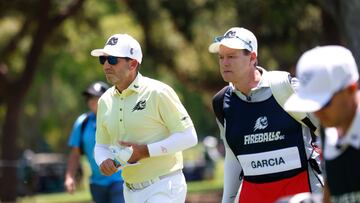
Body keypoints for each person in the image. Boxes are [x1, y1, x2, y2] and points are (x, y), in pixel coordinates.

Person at [208, 27, 323, 203]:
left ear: (252, 58)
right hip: (254, 195)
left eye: (231, 56)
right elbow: (232, 154)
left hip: (301, 191)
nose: (225, 63)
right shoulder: (221, 102)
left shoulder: (286, 87)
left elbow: (329, 130)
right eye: (221, 57)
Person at [90, 33, 198, 203]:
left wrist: (145, 151)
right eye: (103, 60)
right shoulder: (104, 100)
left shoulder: (158, 92)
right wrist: (103, 161)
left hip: (164, 185)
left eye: (112, 60)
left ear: (132, 63)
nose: (106, 66)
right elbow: (101, 145)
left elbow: (189, 137)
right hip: (130, 190)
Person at [284, 45, 360, 203]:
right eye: (311, 104)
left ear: (351, 89)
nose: (317, 113)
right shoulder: (329, 128)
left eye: (324, 103)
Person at [64, 81, 125, 203]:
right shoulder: (82, 122)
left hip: (120, 180)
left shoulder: (120, 118)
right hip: (97, 183)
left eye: (97, 97)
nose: (92, 100)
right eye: (89, 97)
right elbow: (75, 153)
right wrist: (69, 177)